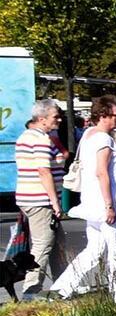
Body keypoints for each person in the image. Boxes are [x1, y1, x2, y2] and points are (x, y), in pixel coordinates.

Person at [49, 96, 116, 303]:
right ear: (103, 115)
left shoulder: (88, 135)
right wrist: (109, 205)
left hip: (92, 201)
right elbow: (101, 172)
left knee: (94, 249)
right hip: (104, 203)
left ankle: (62, 286)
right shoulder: (103, 139)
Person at [14, 99, 66, 293]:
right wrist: (55, 202)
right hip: (40, 199)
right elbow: (44, 171)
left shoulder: (26, 136)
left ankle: (64, 283)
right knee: (43, 243)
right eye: (55, 116)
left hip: (29, 195)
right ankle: (31, 287)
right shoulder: (41, 139)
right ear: (42, 119)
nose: (59, 120)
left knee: (57, 243)